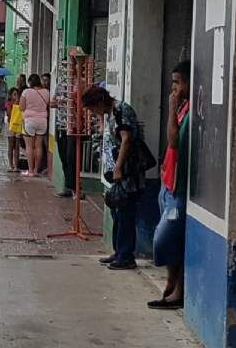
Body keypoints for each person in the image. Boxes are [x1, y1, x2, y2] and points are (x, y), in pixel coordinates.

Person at [82, 85, 145, 270]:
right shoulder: (110, 114)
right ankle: (119, 252)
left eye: (93, 108)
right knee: (117, 211)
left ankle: (126, 255)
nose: (93, 113)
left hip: (127, 172)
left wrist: (118, 167)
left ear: (100, 102)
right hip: (116, 173)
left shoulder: (122, 111)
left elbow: (126, 139)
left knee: (125, 213)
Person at [149, 60, 190, 309]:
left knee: (165, 239)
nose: (174, 88)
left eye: (178, 82)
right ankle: (171, 283)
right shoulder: (183, 108)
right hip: (169, 183)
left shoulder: (189, 112)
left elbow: (173, 140)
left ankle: (179, 290)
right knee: (168, 240)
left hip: (180, 187)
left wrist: (171, 109)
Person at [19, 74, 50, 177]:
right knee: (39, 146)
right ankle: (36, 170)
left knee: (29, 146)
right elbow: (48, 105)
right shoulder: (46, 92)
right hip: (42, 121)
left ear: (30, 82)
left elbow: (21, 107)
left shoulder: (26, 92)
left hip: (29, 121)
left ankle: (30, 170)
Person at [5, 87, 22, 172]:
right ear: (10, 95)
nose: (16, 96)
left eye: (17, 94)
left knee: (17, 146)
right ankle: (11, 165)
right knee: (11, 145)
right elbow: (9, 114)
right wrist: (14, 105)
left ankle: (16, 166)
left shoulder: (21, 103)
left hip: (18, 125)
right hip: (10, 125)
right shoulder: (8, 103)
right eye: (14, 94)